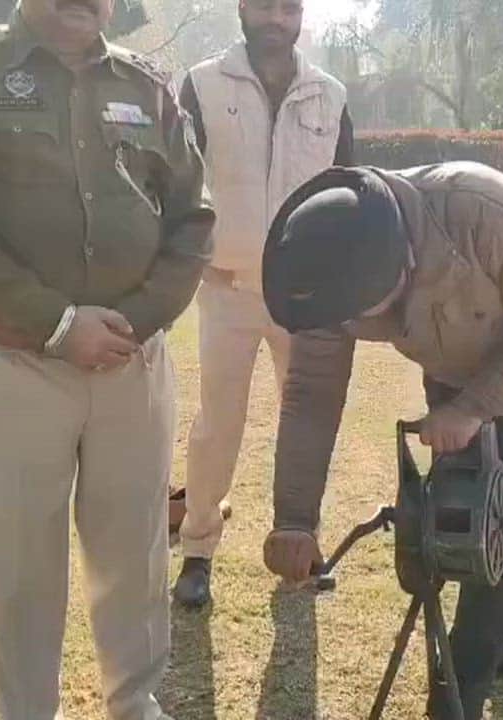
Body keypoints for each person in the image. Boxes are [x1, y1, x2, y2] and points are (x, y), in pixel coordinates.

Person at [0, 0, 213, 716]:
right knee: (18, 564)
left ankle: (134, 702)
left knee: (135, 553)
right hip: (16, 366)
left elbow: (193, 216)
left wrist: (131, 323)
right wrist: (57, 323)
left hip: (132, 366)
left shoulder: (149, 86)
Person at [260, 163, 503, 720]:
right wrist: (295, 518)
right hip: (451, 367)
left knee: (495, 531)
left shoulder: (488, 212)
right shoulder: (326, 262)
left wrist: (473, 408)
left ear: (405, 264)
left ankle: (452, 705)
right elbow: (311, 395)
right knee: (458, 520)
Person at [171, 0, 353, 609]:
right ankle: (197, 552)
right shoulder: (200, 85)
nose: (277, 18)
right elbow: (172, 181)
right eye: (265, 6)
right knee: (217, 427)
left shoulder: (330, 95)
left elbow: (350, 192)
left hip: (304, 299)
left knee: (305, 427)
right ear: (243, 9)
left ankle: (301, 546)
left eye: (289, 7)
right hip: (227, 290)